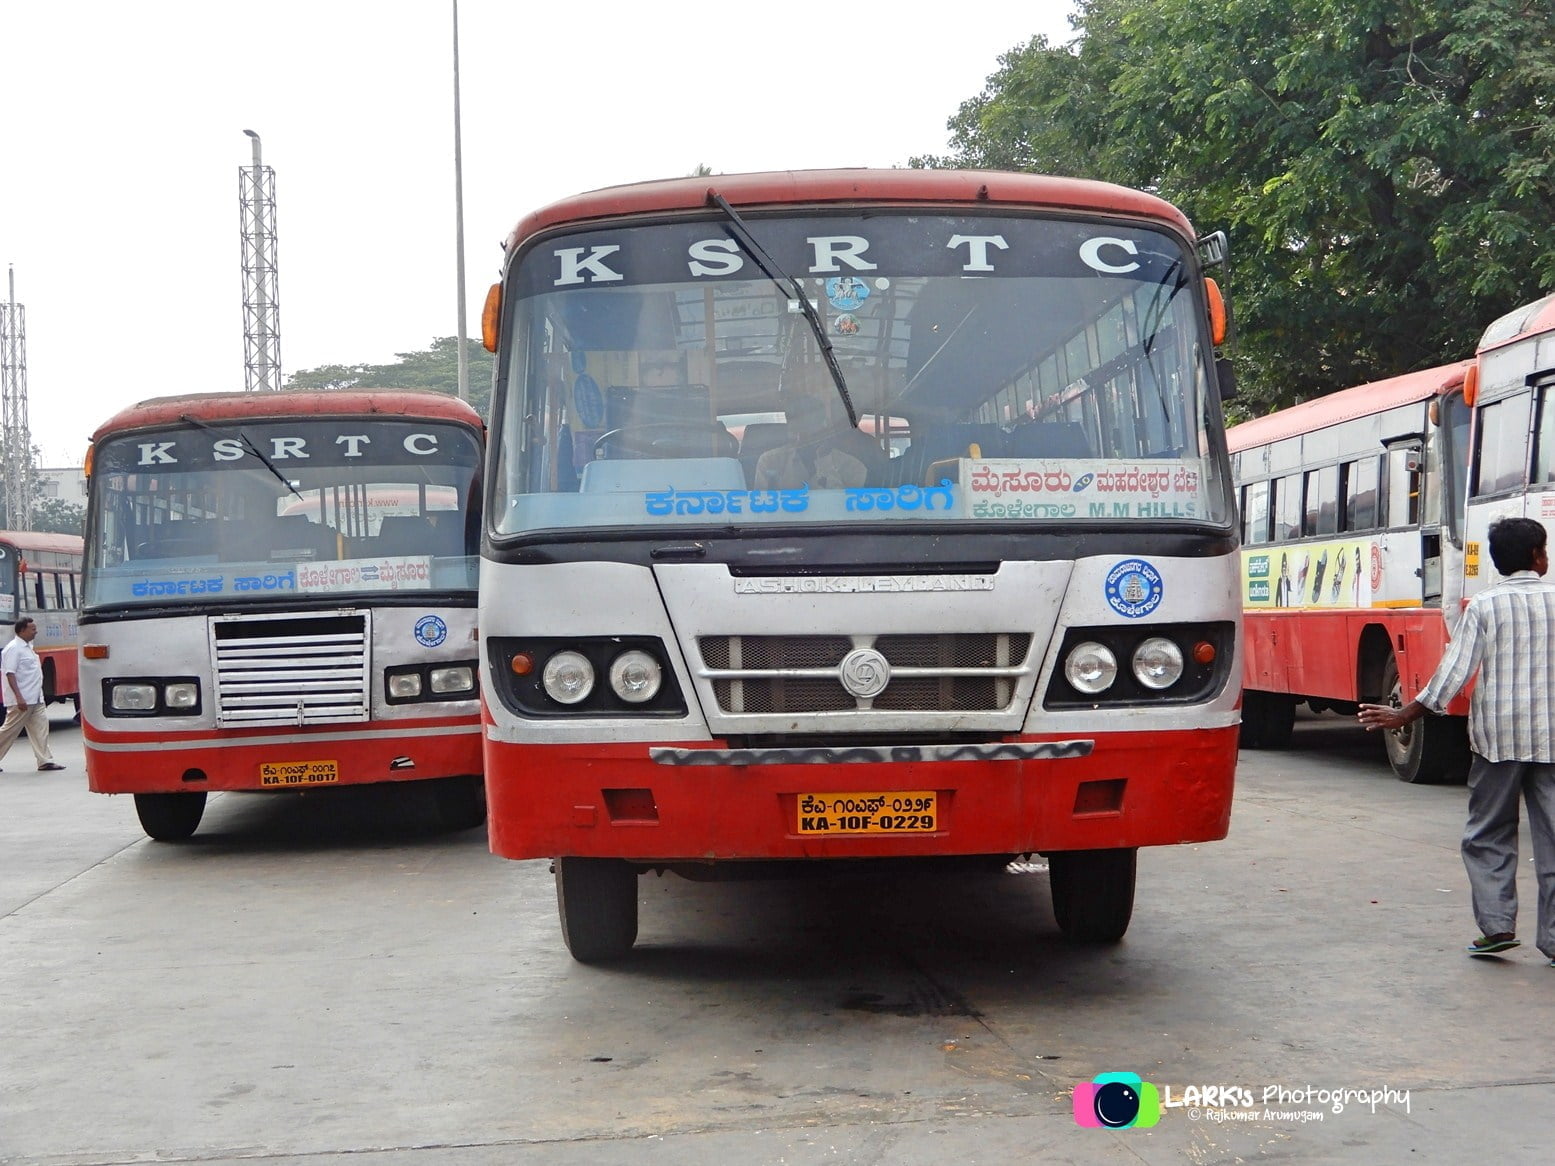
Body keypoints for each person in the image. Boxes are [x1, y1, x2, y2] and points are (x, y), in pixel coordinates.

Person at [1358, 517, 1555, 964]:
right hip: (1552, 740)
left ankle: (1498, 927)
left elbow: (1453, 673)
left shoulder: (1484, 606)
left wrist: (1405, 713)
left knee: (1488, 833)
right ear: (1536, 556)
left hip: (1497, 741)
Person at [755, 366, 884, 490]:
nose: (803, 431)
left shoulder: (852, 466)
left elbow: (857, 503)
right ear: (790, 425)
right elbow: (761, 502)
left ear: (823, 425)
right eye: (797, 422)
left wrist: (826, 464)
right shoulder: (770, 462)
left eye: (810, 423)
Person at [0, 616, 66, 773]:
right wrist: (19, 697)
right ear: (22, 630)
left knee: (40, 729)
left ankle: (45, 761)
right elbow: (10, 674)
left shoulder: (28, 647)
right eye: (33, 629)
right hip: (22, 700)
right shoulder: (13, 648)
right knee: (9, 731)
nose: (36, 632)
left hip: (36, 698)